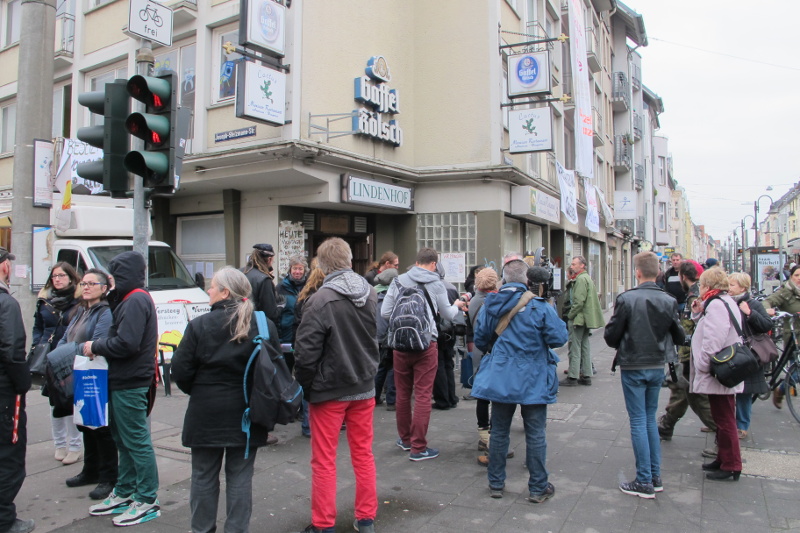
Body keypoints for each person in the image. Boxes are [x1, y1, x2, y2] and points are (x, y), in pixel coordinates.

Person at [171, 267, 279, 533]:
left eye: (212, 286)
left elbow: (180, 372)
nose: (208, 290)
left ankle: (202, 530)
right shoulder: (263, 324)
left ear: (225, 292)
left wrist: (200, 391)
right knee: (240, 479)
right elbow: (275, 369)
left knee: (203, 477)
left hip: (206, 411)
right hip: (249, 411)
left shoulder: (199, 325)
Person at [293, 238, 379, 533]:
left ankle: (323, 524)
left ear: (321, 264)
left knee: (324, 460)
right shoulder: (369, 293)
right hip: (364, 384)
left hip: (329, 390)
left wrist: (307, 386)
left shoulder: (320, 300)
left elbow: (305, 354)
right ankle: (366, 518)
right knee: (363, 453)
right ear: (349, 260)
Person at [471, 261, 568, 502]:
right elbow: (558, 337)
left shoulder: (489, 304)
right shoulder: (539, 306)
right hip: (533, 376)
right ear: (527, 279)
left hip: (501, 376)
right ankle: (537, 487)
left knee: (500, 430)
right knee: (535, 432)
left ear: (503, 278)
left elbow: (482, 340)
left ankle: (495, 484)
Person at [84, 251, 161, 525]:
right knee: (123, 440)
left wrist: (95, 346)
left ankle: (147, 498)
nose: (112, 283)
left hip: (131, 381)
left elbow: (127, 343)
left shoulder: (136, 299)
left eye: (115, 277)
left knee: (136, 441)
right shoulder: (131, 299)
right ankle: (126, 491)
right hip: (123, 379)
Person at [604, 252, 685, 498]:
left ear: (637, 272)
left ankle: (643, 480)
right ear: (658, 272)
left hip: (633, 364)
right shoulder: (669, 299)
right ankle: (654, 475)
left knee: (639, 421)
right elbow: (680, 335)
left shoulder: (627, 299)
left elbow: (610, 336)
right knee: (649, 419)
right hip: (656, 364)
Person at [381, 247, 468, 462]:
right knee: (422, 395)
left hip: (400, 345)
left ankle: (405, 439)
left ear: (416, 261)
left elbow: (384, 313)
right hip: (426, 344)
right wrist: (456, 305)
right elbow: (447, 314)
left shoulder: (398, 280)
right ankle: (419, 448)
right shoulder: (435, 283)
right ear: (433, 264)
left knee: (402, 393)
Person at [61, 269, 117, 501]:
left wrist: (71, 351)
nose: (85, 287)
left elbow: (97, 341)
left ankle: (108, 477)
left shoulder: (104, 312)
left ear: (104, 288)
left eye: (92, 283)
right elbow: (66, 338)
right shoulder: (81, 311)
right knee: (85, 424)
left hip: (95, 373)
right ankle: (90, 470)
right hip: (78, 371)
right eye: (83, 283)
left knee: (101, 428)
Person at [690, 267, 743, 481]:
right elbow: (707, 328)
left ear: (708, 286)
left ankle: (731, 464)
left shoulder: (718, 305)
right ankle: (723, 458)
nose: (699, 289)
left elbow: (714, 339)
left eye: (701, 285)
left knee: (724, 418)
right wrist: (698, 312)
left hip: (719, 369)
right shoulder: (719, 302)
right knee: (722, 416)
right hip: (721, 368)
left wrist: (703, 364)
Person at [657, 261, 717, 445]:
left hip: (692, 354)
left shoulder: (694, 297)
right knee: (680, 390)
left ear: (683, 276)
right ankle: (666, 426)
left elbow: (696, 328)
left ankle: (722, 433)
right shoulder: (696, 293)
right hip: (690, 354)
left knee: (695, 396)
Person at [0, 247, 35, 533]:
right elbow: (12, 352)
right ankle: (4, 519)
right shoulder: (6, 304)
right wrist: (23, 384)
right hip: (4, 393)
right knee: (8, 455)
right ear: (5, 268)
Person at [33, 262, 83, 465]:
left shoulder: (79, 302)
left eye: (62, 276)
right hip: (50, 357)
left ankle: (75, 446)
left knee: (71, 402)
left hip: (71, 356)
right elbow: (38, 326)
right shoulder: (45, 301)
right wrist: (38, 345)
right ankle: (59, 444)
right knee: (54, 402)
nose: (58, 279)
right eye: (54, 276)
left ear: (71, 278)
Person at [727, 272, 771, 439]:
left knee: (745, 390)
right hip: (730, 351)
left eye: (732, 285)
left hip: (748, 352)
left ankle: (742, 426)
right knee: (727, 388)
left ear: (742, 287)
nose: (729, 288)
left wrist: (750, 313)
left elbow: (766, 324)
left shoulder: (752, 304)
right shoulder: (726, 302)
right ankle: (726, 423)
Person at [470, 268, 498, 465]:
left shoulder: (473, 301)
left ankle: (483, 436)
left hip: (478, 353)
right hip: (491, 352)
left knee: (481, 395)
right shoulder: (493, 302)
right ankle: (493, 440)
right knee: (496, 395)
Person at [561, 256, 604, 387]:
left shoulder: (580, 280)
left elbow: (578, 302)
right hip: (586, 318)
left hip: (578, 319)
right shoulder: (587, 278)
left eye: (574, 264)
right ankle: (586, 375)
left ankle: (573, 376)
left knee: (575, 346)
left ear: (582, 266)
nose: (571, 266)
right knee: (585, 346)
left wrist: (570, 316)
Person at [294, 260, 325, 439]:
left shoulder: (303, 296)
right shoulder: (322, 298)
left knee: (306, 383)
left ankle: (307, 425)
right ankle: (310, 425)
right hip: (317, 345)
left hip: (304, 343)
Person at [764, 264, 800, 408]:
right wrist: (769, 309)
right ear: (791, 276)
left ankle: (783, 389)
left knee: (795, 372)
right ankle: (781, 390)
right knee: (796, 371)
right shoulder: (786, 292)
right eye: (797, 275)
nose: (799, 279)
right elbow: (767, 301)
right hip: (794, 337)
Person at [431, 262, 464, 410]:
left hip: (437, 329)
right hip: (450, 330)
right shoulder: (451, 287)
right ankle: (452, 397)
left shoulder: (432, 287)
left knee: (438, 366)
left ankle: (442, 399)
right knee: (448, 363)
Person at [373, 267, 399, 411]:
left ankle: (375, 396)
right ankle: (392, 400)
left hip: (375, 336)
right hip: (389, 336)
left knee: (380, 367)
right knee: (392, 368)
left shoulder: (372, 293)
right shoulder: (392, 295)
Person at [277, 255, 309, 368]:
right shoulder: (280, 288)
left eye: (300, 269)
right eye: (295, 268)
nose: (297, 272)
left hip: (305, 336)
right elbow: (276, 314)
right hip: (286, 336)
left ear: (305, 270)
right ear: (290, 269)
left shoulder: (310, 287)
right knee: (286, 369)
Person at [240, 244, 280, 325]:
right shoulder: (264, 279)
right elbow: (270, 313)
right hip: (255, 326)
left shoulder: (238, 273)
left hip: (236, 323)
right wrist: (280, 307)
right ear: (269, 259)